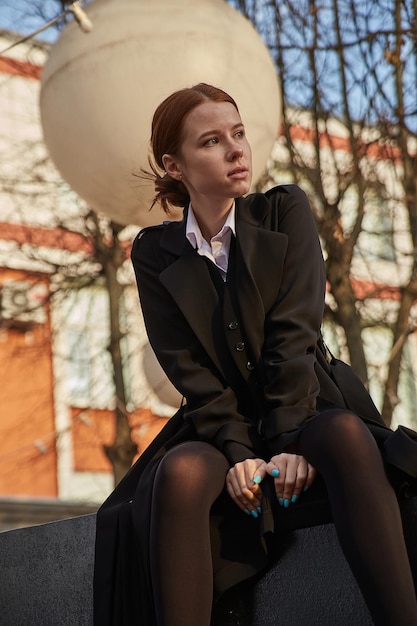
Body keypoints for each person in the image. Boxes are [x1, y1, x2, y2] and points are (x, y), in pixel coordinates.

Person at [94, 83, 417, 626]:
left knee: (343, 436)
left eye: (238, 134)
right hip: (218, 421)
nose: (236, 150)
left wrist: (290, 439)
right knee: (180, 474)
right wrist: (240, 451)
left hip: (305, 399)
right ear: (175, 165)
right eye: (213, 141)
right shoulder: (154, 251)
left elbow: (295, 333)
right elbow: (186, 366)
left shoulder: (284, 210)